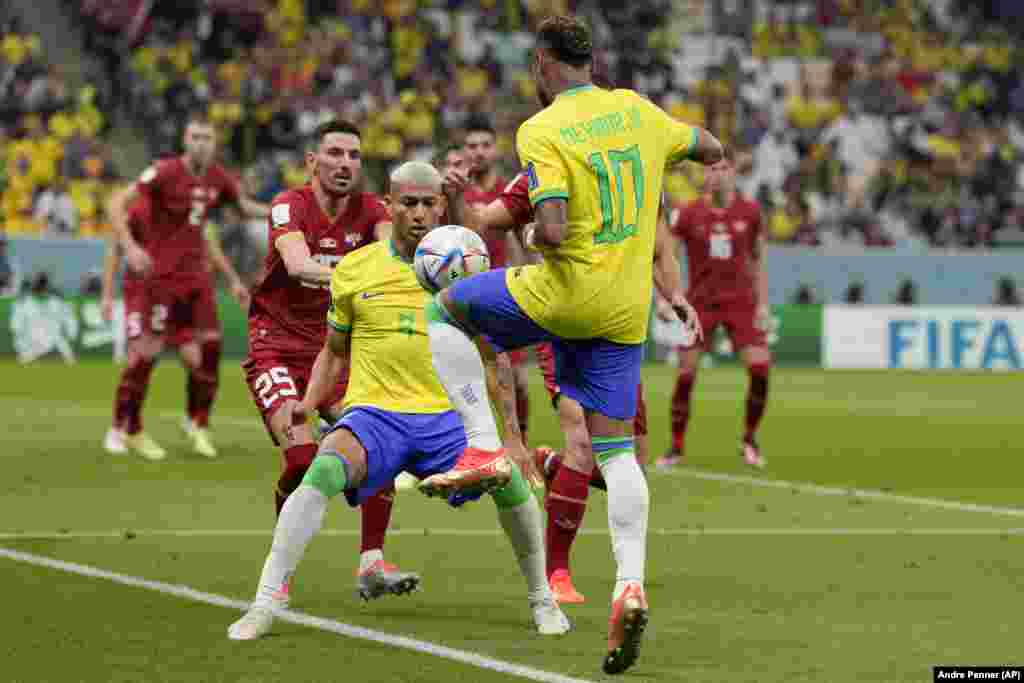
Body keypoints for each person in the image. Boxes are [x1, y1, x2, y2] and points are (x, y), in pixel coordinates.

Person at [421, 15, 720, 675]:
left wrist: (541, 238)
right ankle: (630, 583)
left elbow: (550, 226)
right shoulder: (637, 112)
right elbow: (707, 143)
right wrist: (709, 160)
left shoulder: (544, 129)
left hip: (568, 294)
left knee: (443, 311)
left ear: (544, 62)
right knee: (617, 453)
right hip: (624, 309)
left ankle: (481, 444)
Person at [227, 161, 569, 641]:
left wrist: (512, 438)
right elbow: (333, 349)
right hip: (375, 416)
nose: (420, 213)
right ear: (389, 207)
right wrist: (309, 402)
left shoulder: (466, 265)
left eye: (429, 203)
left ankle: (543, 600)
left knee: (511, 483)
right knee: (322, 469)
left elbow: (495, 359)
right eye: (408, 203)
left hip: (446, 419)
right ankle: (265, 602)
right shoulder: (354, 268)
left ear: (442, 207)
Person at [445, 169, 683, 606]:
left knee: (627, 471)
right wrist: (461, 200)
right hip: (558, 317)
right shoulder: (542, 169)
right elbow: (482, 221)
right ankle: (556, 574)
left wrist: (672, 295)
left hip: (614, 328)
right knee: (582, 443)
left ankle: (549, 464)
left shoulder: (633, 170)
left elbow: (659, 246)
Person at [241, 120, 405, 600]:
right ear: (312, 162)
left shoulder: (374, 210)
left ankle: (372, 562)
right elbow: (296, 265)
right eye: (334, 153)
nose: (345, 164)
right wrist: (361, 278)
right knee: (302, 460)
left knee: (384, 445)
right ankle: (281, 572)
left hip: (334, 352)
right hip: (276, 345)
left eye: (354, 156)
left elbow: (393, 256)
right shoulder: (287, 206)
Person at [104, 114, 268, 460]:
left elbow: (235, 213)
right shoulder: (163, 173)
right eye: (195, 137)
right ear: (184, 139)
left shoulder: (218, 179)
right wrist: (131, 249)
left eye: (207, 137)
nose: (201, 143)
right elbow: (115, 204)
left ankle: (198, 423)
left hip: (196, 281)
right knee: (145, 354)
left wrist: (283, 211)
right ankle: (126, 427)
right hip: (158, 281)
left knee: (208, 352)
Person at [659, 152, 771, 471]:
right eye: (712, 169)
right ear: (704, 176)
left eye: (724, 168)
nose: (719, 174)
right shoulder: (689, 213)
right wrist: (668, 298)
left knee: (760, 368)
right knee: (685, 374)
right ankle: (676, 447)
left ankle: (749, 439)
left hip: (741, 302)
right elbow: (668, 255)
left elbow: (759, 260)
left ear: (733, 173)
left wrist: (762, 302)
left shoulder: (750, 212)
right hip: (701, 303)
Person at [459, 115, 535, 442]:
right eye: (472, 146)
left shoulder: (511, 191)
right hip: (460, 296)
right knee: (462, 378)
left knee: (516, 378)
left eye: (485, 146)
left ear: (496, 149)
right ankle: (467, 445)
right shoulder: (454, 193)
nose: (478, 152)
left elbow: (521, 240)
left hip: (503, 294)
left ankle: (521, 442)